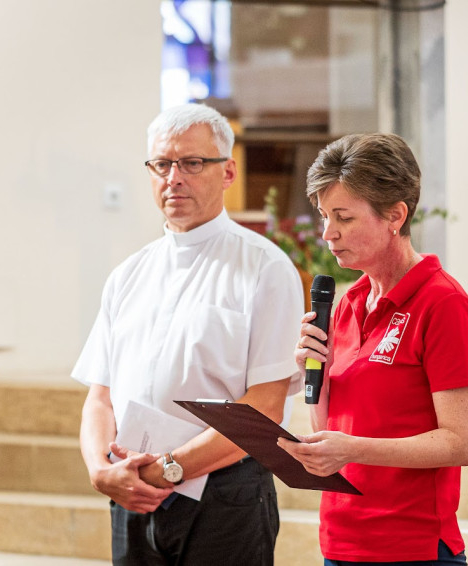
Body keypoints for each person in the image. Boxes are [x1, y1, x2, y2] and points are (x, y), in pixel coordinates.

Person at [74, 103, 304, 565]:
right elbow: (100, 397)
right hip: (133, 489)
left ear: (228, 172)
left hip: (224, 494)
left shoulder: (265, 267)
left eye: (192, 163)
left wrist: (170, 469)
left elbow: (265, 406)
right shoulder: (128, 274)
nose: (174, 178)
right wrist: (100, 470)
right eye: (162, 164)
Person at [276, 133, 468, 565]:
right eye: (324, 216)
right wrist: (317, 374)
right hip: (342, 539)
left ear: (395, 215)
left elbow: (460, 443)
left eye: (344, 217)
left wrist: (353, 448)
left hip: (412, 545)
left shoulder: (442, 303)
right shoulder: (346, 303)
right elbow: (331, 427)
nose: (328, 233)